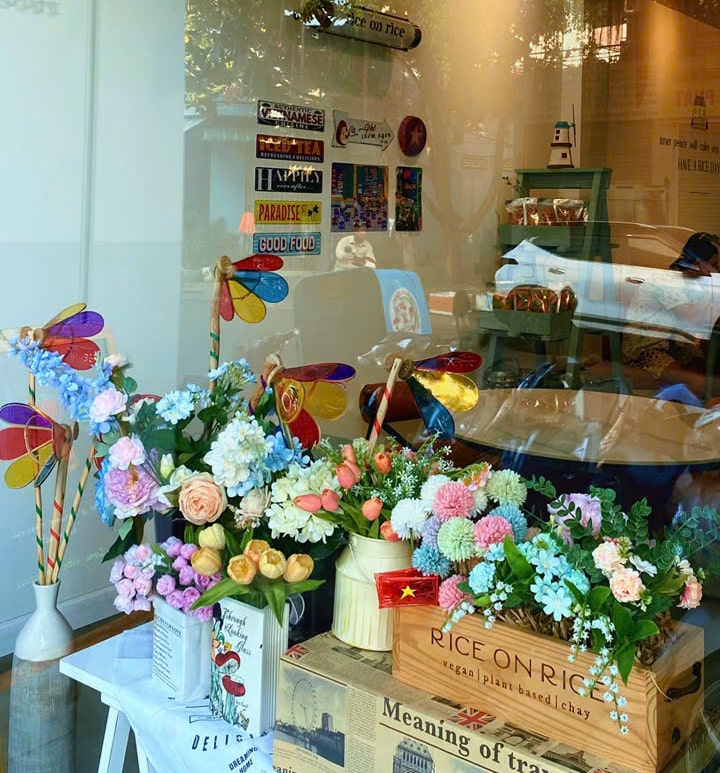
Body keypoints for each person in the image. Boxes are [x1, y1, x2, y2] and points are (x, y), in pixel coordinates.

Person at [621, 231, 720, 398]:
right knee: (699, 384)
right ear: (699, 263)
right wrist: (714, 283)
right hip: (647, 353)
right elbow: (694, 319)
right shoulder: (666, 281)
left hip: (677, 349)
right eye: (715, 264)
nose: (718, 269)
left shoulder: (695, 282)